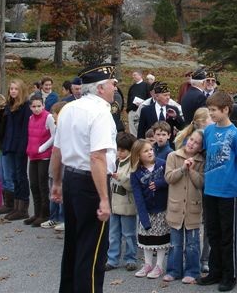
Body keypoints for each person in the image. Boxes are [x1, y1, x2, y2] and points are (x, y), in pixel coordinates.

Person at [50, 63, 118, 293]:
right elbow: (97, 157)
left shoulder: (69, 108)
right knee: (92, 250)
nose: (114, 87)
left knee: (74, 244)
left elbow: (57, 150)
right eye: (112, 84)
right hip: (91, 183)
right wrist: (104, 199)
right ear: (100, 88)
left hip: (71, 179)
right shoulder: (100, 112)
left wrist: (57, 182)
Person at [196, 92, 237, 291]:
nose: (211, 114)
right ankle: (215, 271)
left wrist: (228, 174)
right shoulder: (209, 131)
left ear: (226, 110)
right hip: (210, 190)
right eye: (210, 110)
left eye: (214, 110)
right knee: (213, 233)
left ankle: (230, 274)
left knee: (229, 235)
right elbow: (208, 152)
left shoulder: (235, 134)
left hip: (229, 192)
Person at [164, 129, 205, 284]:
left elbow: (201, 183)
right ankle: (174, 270)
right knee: (175, 243)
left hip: (193, 209)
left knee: (192, 243)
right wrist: (182, 169)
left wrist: (192, 170)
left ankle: (193, 271)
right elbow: (168, 178)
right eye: (191, 139)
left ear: (200, 148)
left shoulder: (201, 161)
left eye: (196, 143)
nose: (191, 143)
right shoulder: (173, 156)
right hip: (175, 208)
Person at [130, 139, 170, 279]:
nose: (150, 152)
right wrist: (143, 216)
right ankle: (147, 264)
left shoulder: (162, 164)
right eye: (145, 151)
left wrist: (159, 184)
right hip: (146, 210)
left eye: (151, 149)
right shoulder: (135, 172)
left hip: (162, 209)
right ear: (138, 155)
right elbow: (137, 195)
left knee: (161, 239)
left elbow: (170, 180)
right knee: (146, 238)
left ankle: (159, 265)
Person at [105, 132, 139, 272]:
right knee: (113, 234)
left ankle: (131, 258)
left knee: (129, 234)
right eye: (118, 149)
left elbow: (132, 185)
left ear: (130, 150)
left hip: (127, 205)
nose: (119, 153)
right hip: (114, 204)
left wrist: (120, 177)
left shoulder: (133, 164)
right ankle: (112, 259)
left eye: (123, 150)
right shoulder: (115, 161)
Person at [0, 79, 32, 221]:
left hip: (20, 145)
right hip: (10, 143)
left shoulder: (25, 106)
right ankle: (15, 206)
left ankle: (23, 208)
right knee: (13, 176)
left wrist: (23, 146)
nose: (13, 91)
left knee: (21, 176)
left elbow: (25, 128)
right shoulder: (9, 105)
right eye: (11, 88)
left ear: (21, 90)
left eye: (16, 89)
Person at [24, 94, 56, 227]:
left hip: (44, 156)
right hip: (33, 155)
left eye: (39, 106)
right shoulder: (31, 118)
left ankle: (44, 214)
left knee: (43, 185)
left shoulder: (48, 117)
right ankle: (36, 213)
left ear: (43, 105)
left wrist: (42, 148)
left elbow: (54, 135)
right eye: (34, 106)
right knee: (34, 185)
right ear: (30, 107)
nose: (36, 109)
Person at [40, 101, 67, 232]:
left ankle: (63, 219)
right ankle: (53, 216)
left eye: (54, 115)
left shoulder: (66, 129)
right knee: (53, 191)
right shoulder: (57, 128)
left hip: (63, 165)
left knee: (62, 192)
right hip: (54, 163)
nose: (52, 117)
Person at [127, 71, 150, 137]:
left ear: (140, 75)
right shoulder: (132, 87)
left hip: (142, 111)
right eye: (133, 75)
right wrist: (128, 109)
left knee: (141, 129)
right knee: (132, 131)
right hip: (132, 111)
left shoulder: (146, 85)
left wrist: (142, 103)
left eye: (135, 75)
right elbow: (129, 98)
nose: (133, 76)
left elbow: (149, 98)